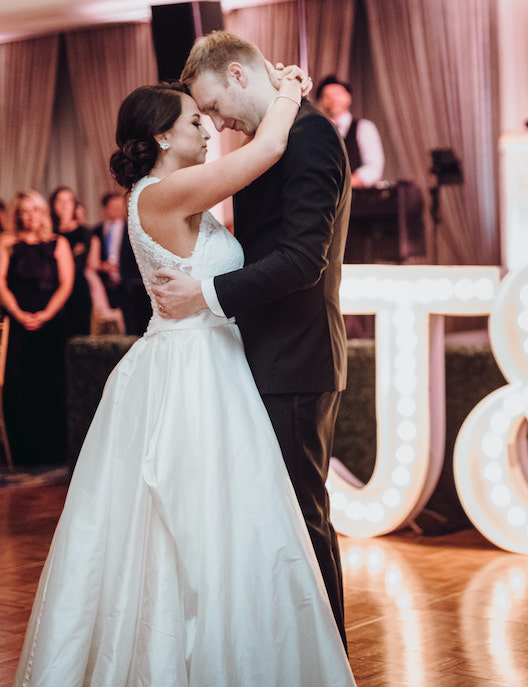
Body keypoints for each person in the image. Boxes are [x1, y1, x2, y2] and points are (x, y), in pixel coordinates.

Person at [14, 66, 355, 685]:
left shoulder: (185, 193)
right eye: (196, 120)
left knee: (229, 520)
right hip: (190, 371)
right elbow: (271, 146)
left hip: (220, 364)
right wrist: (288, 91)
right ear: (165, 138)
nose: (209, 128)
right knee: (191, 524)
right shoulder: (160, 194)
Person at [153, 31, 352, 652]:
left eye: (212, 106)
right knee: (273, 527)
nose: (214, 123)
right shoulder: (277, 135)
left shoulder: (312, 135)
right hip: (263, 357)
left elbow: (301, 260)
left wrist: (205, 297)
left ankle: (327, 661)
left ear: (238, 74)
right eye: (203, 117)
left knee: (303, 525)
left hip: (295, 358)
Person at [0, 190, 73, 466]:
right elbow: (1, 282)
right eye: (24, 211)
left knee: (51, 383)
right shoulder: (7, 242)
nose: (30, 216)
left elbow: (66, 284)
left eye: (35, 210)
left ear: (43, 212)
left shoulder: (59, 243)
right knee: (19, 386)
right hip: (18, 324)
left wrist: (45, 315)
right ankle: (23, 453)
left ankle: (53, 452)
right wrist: (19, 314)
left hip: (52, 323)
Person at [94, 191, 151, 335]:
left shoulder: (133, 229)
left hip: (130, 285)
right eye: (113, 206)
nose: (118, 209)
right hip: (106, 286)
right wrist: (102, 266)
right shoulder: (96, 231)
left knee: (133, 326)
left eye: (120, 206)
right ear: (105, 208)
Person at [316, 73, 385, 188]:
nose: (334, 99)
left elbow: (373, 169)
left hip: (358, 199)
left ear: (348, 98)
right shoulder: (316, 131)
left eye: (338, 94)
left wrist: (345, 184)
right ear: (321, 101)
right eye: (327, 96)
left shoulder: (364, 128)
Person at [49, 186, 101, 336]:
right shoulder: (49, 233)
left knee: (79, 337)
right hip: (52, 290)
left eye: (69, 201)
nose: (65, 205)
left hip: (78, 291)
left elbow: (90, 265)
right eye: (60, 201)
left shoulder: (84, 233)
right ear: (53, 204)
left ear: (74, 205)